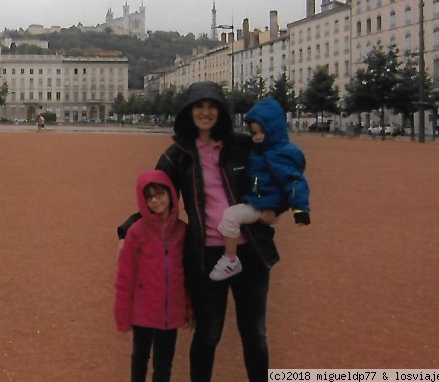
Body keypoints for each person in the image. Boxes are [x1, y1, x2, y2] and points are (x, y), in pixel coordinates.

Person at [117, 81, 279, 382]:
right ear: (188, 113)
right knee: (208, 334)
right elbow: (156, 197)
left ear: (221, 111)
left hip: (251, 253)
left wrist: (278, 208)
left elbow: (278, 175)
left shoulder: (242, 146)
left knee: (255, 333)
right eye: (199, 107)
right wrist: (128, 229)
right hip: (207, 256)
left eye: (212, 106)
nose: (206, 112)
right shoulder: (177, 154)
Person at [209, 98, 310, 281]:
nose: (256, 137)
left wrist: (300, 209)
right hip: (258, 199)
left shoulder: (278, 153)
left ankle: (230, 259)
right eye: (254, 133)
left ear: (273, 130)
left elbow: (294, 181)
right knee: (229, 218)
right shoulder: (260, 150)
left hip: (263, 203)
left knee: (231, 216)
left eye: (261, 132)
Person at [114, 170, 190, 382]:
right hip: (143, 310)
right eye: (149, 197)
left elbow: (187, 276)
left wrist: (188, 307)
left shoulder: (183, 232)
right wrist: (122, 313)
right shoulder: (137, 232)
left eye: (159, 194)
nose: (155, 200)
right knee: (139, 357)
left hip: (171, 311)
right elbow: (125, 276)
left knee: (163, 364)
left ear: (170, 194)